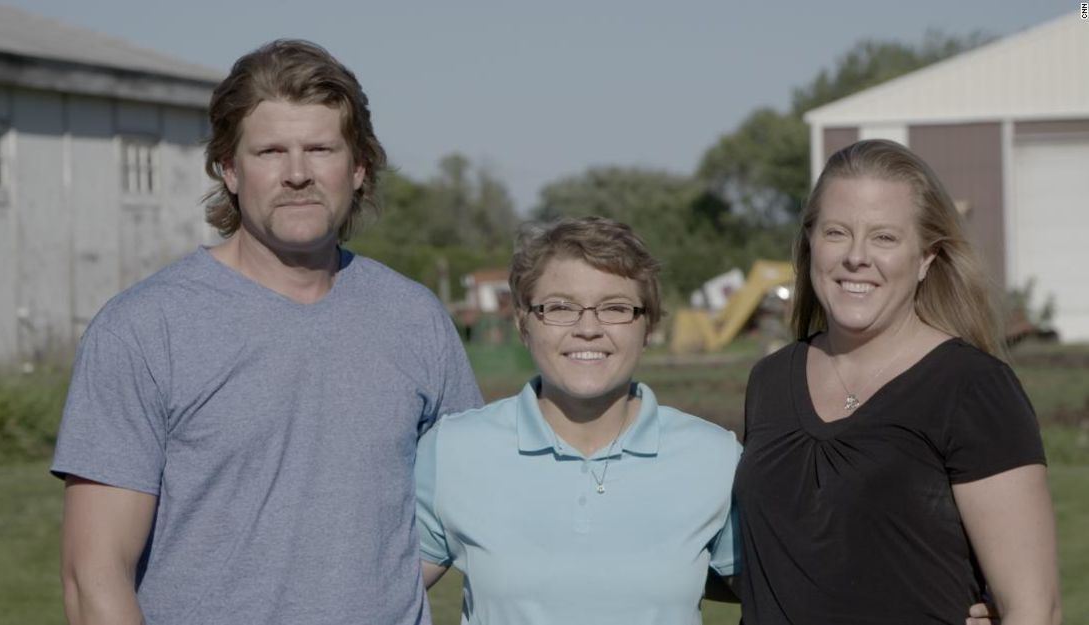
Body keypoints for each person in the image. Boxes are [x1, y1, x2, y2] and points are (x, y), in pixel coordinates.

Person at [51, 40, 482, 625]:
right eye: (271, 151)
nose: (298, 173)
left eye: (321, 149)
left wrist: (377, 588)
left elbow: (468, 504)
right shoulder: (145, 329)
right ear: (229, 169)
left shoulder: (415, 318)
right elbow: (93, 577)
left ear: (358, 169)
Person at [734, 139, 1061, 624]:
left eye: (884, 238)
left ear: (927, 257)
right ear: (810, 242)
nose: (856, 257)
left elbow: (1035, 609)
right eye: (837, 232)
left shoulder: (972, 388)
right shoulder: (770, 381)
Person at [415, 217, 742, 624]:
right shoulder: (453, 450)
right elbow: (378, 594)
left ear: (648, 327)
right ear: (523, 322)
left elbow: (784, 593)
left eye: (616, 308)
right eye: (560, 308)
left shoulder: (716, 458)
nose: (588, 328)